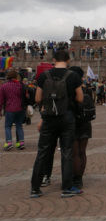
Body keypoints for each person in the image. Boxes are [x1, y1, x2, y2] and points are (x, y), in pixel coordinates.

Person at [30, 49, 84, 198]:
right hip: (67, 117)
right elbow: (80, 98)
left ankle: (35, 188)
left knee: (43, 152)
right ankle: (67, 187)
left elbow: (37, 98)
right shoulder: (73, 76)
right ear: (68, 60)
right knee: (67, 152)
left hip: (48, 116)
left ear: (53, 60)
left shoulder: (44, 75)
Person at [70, 66, 91, 189]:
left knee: (75, 153)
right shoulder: (87, 89)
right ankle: (80, 179)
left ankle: (76, 179)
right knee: (82, 152)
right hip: (86, 123)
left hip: (73, 122)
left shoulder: (71, 89)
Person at [1, 69, 25, 151]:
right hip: (20, 108)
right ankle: (21, 143)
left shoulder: (4, 86)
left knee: (8, 126)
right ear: (16, 76)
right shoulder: (20, 85)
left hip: (10, 108)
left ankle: (9, 142)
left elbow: (1, 100)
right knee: (19, 125)